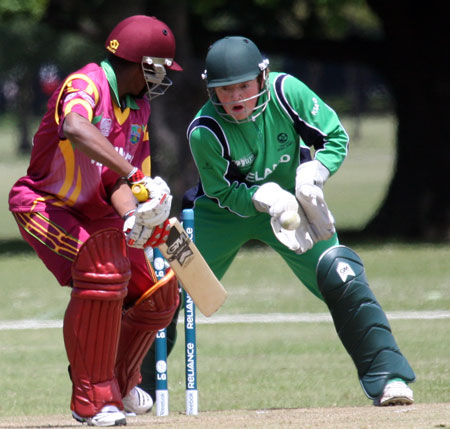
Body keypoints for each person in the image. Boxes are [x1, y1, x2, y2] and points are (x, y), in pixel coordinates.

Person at [163, 36, 415, 407]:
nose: (236, 98)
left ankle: (389, 378)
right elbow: (221, 192)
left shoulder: (286, 92)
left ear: (263, 78)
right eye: (225, 89)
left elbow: (334, 137)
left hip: (291, 205)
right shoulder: (204, 129)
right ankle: (129, 386)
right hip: (221, 213)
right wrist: (258, 196)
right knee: (161, 285)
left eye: (244, 86)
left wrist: (315, 172)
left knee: (341, 273)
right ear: (210, 89)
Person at [8, 15, 182, 427]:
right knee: (103, 267)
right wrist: (136, 176)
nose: (160, 80)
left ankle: (118, 385)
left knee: (158, 295)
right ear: (142, 64)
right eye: (159, 69)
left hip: (97, 209)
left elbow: (115, 180)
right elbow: (75, 125)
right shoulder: (87, 83)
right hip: (45, 204)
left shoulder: (138, 108)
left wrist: (138, 214)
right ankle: (91, 397)